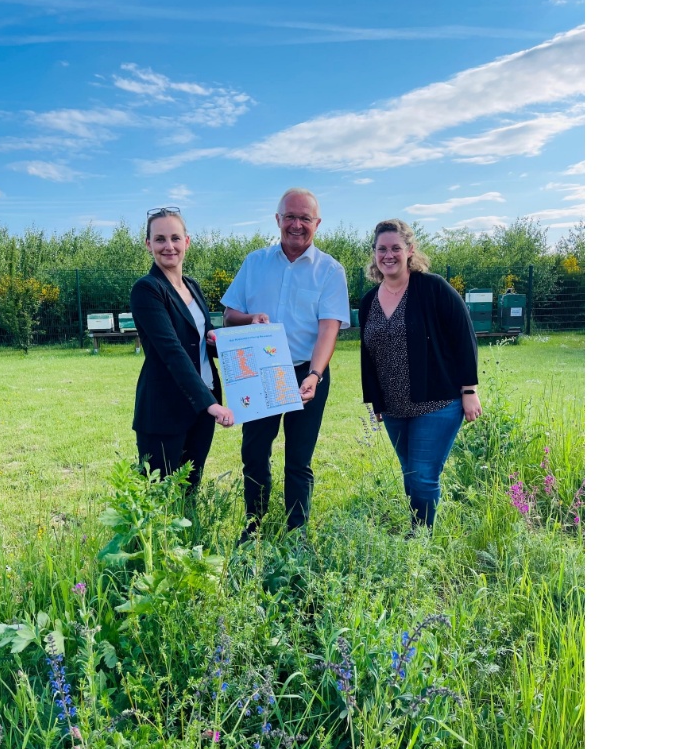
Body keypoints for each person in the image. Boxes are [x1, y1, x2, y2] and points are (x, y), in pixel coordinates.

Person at [221, 188, 350, 538]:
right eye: (289, 217)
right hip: (259, 373)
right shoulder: (255, 263)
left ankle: (297, 534)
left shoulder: (330, 271)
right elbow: (229, 315)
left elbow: (329, 329)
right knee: (254, 453)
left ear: (317, 223)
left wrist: (315, 374)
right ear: (277, 220)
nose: (296, 224)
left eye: (305, 218)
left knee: (298, 459)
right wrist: (250, 319)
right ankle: (254, 528)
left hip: (306, 372)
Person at [359, 218, 481, 531]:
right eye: (382, 249)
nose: (389, 255)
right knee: (411, 474)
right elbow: (368, 355)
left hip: (437, 401)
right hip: (395, 407)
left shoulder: (432, 288)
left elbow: (464, 336)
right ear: (374, 253)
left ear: (410, 250)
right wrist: (375, 401)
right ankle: (418, 533)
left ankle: (420, 543)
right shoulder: (369, 301)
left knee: (424, 477)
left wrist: (469, 390)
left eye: (395, 248)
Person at [130, 206, 235, 494]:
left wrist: (243, 334)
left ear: (187, 242)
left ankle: (188, 540)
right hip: (165, 408)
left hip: (202, 405)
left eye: (175, 238)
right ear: (148, 244)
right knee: (158, 499)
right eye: (160, 239)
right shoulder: (147, 289)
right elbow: (171, 351)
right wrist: (208, 403)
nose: (169, 246)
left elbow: (201, 339)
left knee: (190, 490)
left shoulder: (193, 286)